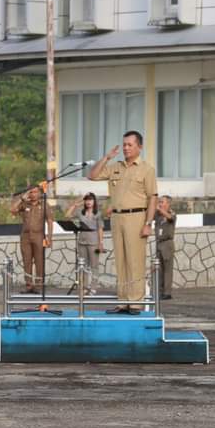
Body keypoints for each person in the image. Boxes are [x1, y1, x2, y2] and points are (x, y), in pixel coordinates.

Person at [89, 131, 158, 315]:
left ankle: (135, 303)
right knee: (120, 261)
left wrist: (148, 223)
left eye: (130, 145)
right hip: (117, 218)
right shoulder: (114, 167)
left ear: (139, 147)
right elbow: (92, 176)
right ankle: (123, 301)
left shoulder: (147, 169)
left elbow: (153, 198)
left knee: (135, 261)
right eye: (124, 145)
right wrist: (106, 157)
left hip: (137, 217)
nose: (126, 148)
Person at [10, 186, 53, 294]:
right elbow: (12, 210)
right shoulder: (24, 204)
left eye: (35, 192)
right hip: (25, 237)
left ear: (39, 193)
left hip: (39, 236)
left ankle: (39, 286)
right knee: (27, 261)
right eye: (31, 192)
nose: (33, 194)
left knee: (39, 261)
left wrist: (49, 237)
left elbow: (50, 221)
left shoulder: (44, 205)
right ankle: (28, 286)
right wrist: (22, 199)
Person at [64, 192, 104, 295]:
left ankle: (93, 287)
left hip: (94, 241)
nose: (88, 202)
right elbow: (67, 216)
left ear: (94, 201)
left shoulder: (98, 213)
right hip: (82, 240)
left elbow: (100, 228)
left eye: (90, 200)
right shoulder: (80, 212)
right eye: (86, 200)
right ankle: (84, 287)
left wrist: (101, 243)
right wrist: (75, 205)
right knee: (83, 265)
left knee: (94, 265)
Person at [154, 195, 176, 301]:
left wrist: (159, 210)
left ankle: (167, 292)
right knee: (160, 269)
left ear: (168, 204)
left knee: (167, 269)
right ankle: (160, 290)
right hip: (159, 242)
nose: (160, 204)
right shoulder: (157, 215)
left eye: (162, 202)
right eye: (159, 202)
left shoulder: (171, 213)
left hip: (167, 243)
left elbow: (170, 218)